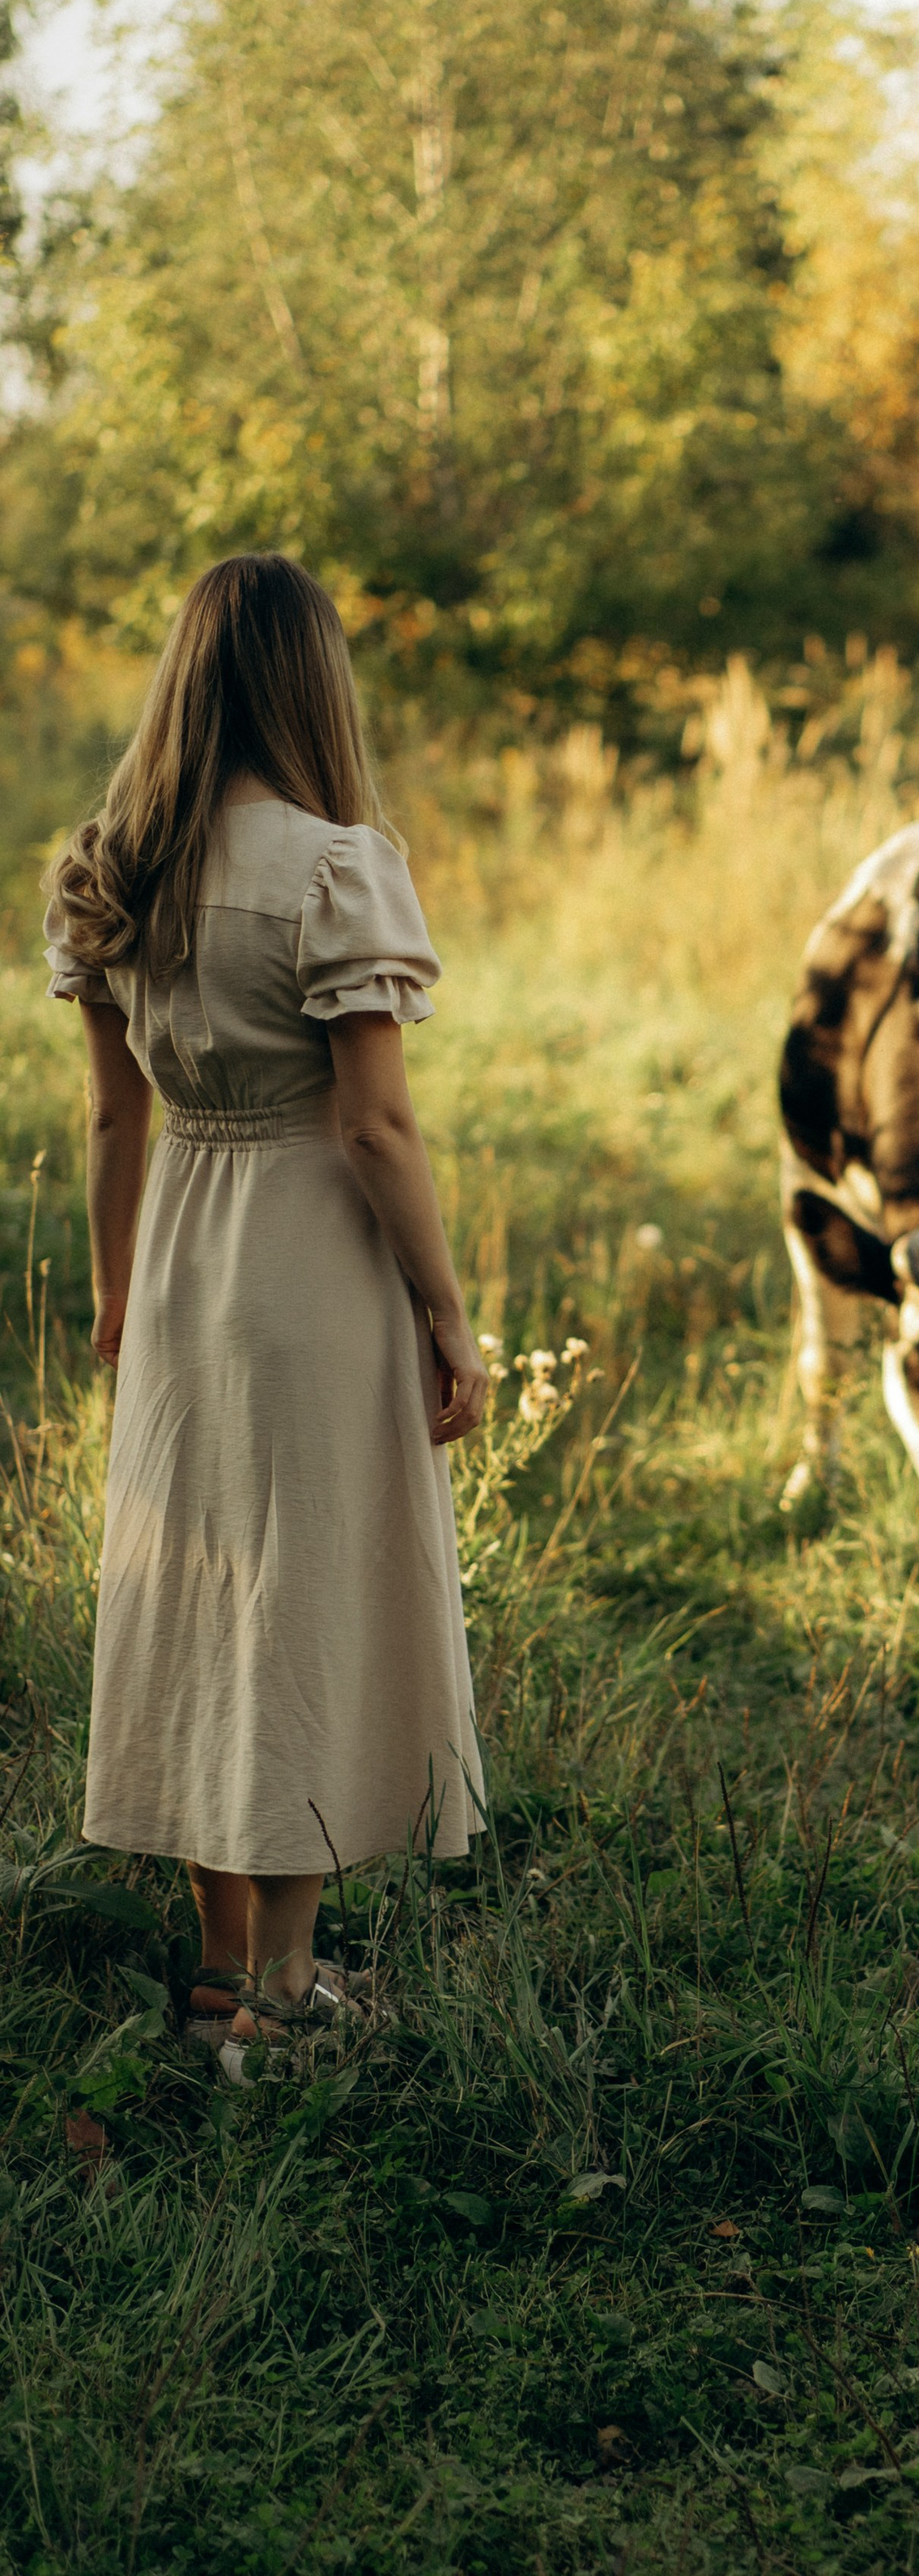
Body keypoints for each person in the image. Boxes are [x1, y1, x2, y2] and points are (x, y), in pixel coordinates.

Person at [45, 555, 488, 2063]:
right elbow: (375, 1128)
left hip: (183, 1251)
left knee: (197, 1591)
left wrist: (118, 1295)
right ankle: (288, 2002)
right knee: (298, 1602)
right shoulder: (333, 866)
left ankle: (220, 1970)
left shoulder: (114, 865)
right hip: (309, 1260)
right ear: (309, 684)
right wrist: (447, 1310)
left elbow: (114, 1120)